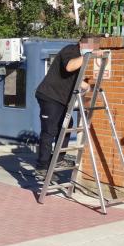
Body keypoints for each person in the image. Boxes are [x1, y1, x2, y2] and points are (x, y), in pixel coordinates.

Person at [34, 35, 101, 170]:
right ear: (82, 44)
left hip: (62, 99)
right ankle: (42, 165)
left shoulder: (79, 56)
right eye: (91, 46)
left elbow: (73, 79)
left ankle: (58, 159)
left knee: (66, 127)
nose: (93, 49)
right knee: (50, 130)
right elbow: (70, 67)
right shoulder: (70, 50)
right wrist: (89, 54)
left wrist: (88, 87)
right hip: (50, 96)